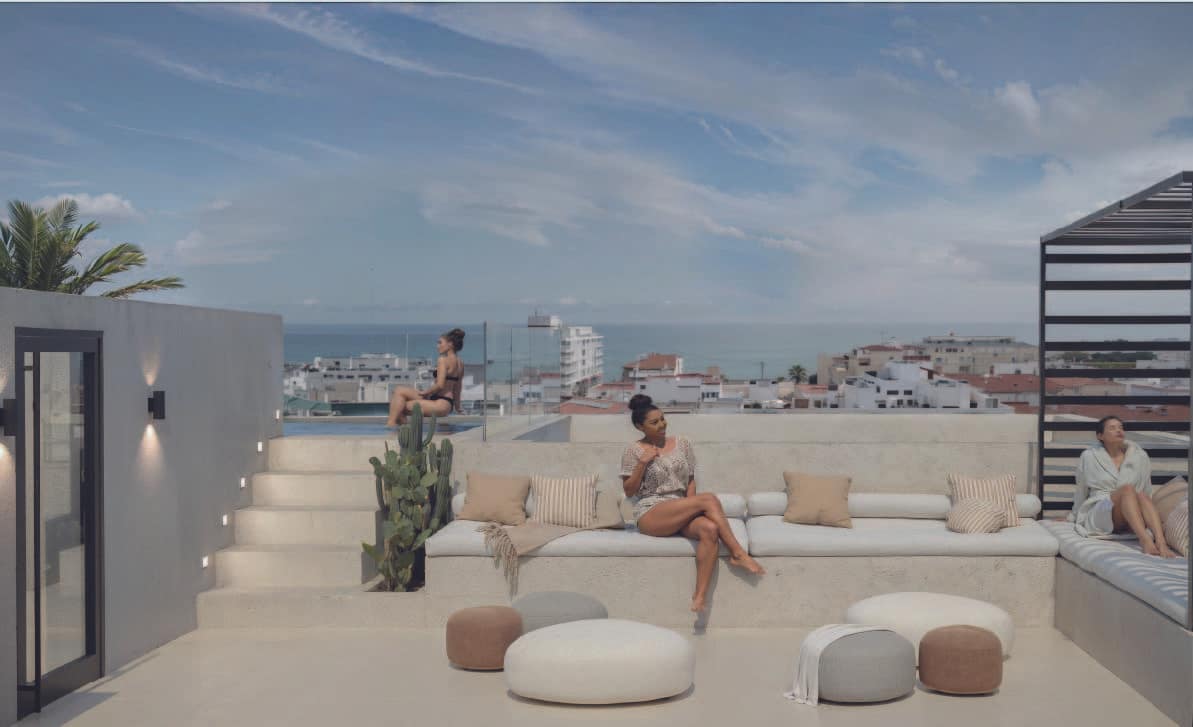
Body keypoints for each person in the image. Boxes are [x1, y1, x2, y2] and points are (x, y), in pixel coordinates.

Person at [620, 395, 764, 613]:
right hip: (651, 512)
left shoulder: (683, 443)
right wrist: (642, 463)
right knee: (708, 498)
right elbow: (629, 491)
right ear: (640, 426)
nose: (662, 424)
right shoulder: (634, 450)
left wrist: (690, 509)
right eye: (654, 422)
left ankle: (699, 597)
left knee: (709, 529)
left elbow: (690, 481)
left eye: (662, 419)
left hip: (680, 507)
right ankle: (737, 553)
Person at [1070, 415, 1177, 557]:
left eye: (1120, 427)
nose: (1119, 430)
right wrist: (1073, 516)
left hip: (1130, 510)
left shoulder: (1140, 456)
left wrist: (1147, 516)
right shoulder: (1089, 456)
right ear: (1100, 436)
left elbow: (1147, 488)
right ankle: (1145, 540)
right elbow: (1081, 489)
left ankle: (1161, 542)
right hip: (1102, 507)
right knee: (1127, 489)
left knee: (1141, 495)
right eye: (1112, 428)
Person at [386, 328, 465, 428]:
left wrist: (426, 392)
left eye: (440, 343)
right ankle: (398, 426)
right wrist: (457, 407)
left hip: (439, 403)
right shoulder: (460, 363)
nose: (437, 346)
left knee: (398, 408)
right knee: (399, 390)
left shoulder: (443, 360)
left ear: (450, 344)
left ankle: (391, 427)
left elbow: (440, 385)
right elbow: (457, 388)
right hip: (446, 404)